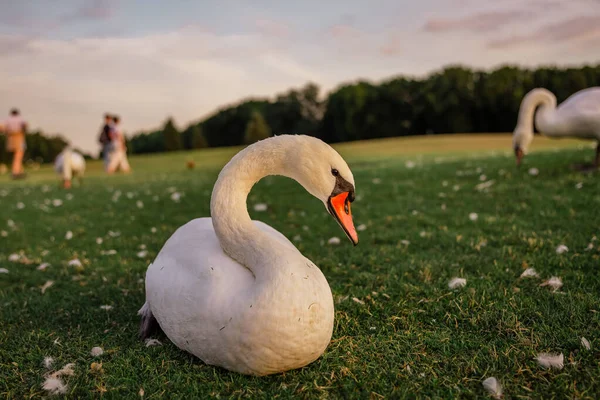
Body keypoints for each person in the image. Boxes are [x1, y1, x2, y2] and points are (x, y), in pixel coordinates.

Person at [1, 108, 27, 179]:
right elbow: (25, 125)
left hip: (10, 138)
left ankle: (20, 171)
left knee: (16, 156)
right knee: (18, 155)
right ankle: (15, 172)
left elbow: (2, 128)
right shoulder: (20, 119)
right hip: (19, 137)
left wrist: (7, 132)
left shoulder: (8, 119)